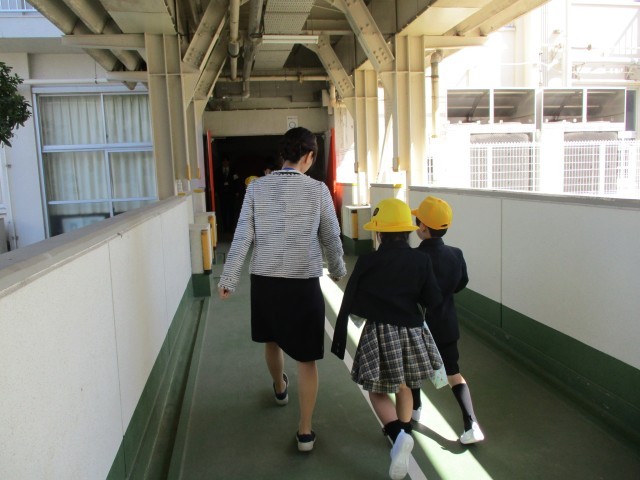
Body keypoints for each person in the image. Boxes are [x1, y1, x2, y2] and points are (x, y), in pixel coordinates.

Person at [218, 127, 346, 453]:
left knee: (272, 340)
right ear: (309, 156)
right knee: (306, 358)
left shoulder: (257, 188)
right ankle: (305, 432)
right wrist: (338, 270)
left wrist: (229, 278)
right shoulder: (318, 190)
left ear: (282, 155)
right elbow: (331, 236)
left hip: (266, 280)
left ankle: (279, 387)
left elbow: (242, 235)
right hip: (303, 281)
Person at [331, 198, 443, 480]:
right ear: (407, 231)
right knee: (404, 385)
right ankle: (403, 431)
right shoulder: (421, 260)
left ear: (379, 233)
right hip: (412, 332)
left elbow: (353, 300)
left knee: (377, 390)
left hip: (380, 332)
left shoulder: (369, 261)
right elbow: (433, 299)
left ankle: (396, 435)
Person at [410, 196, 485, 445]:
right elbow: (462, 282)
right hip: (446, 325)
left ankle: (415, 408)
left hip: (418, 327)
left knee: (413, 370)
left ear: (423, 227)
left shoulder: (415, 258)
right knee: (454, 373)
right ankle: (471, 425)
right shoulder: (456, 254)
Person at [214, 157, 240, 232]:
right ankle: (225, 227)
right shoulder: (218, 170)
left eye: (226, 161)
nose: (225, 163)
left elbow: (236, 181)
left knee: (231, 210)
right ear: (222, 162)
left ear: (228, 162)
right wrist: (216, 191)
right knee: (223, 210)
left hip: (231, 193)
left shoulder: (233, 170)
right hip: (222, 193)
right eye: (224, 161)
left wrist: (237, 191)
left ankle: (231, 228)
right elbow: (215, 181)